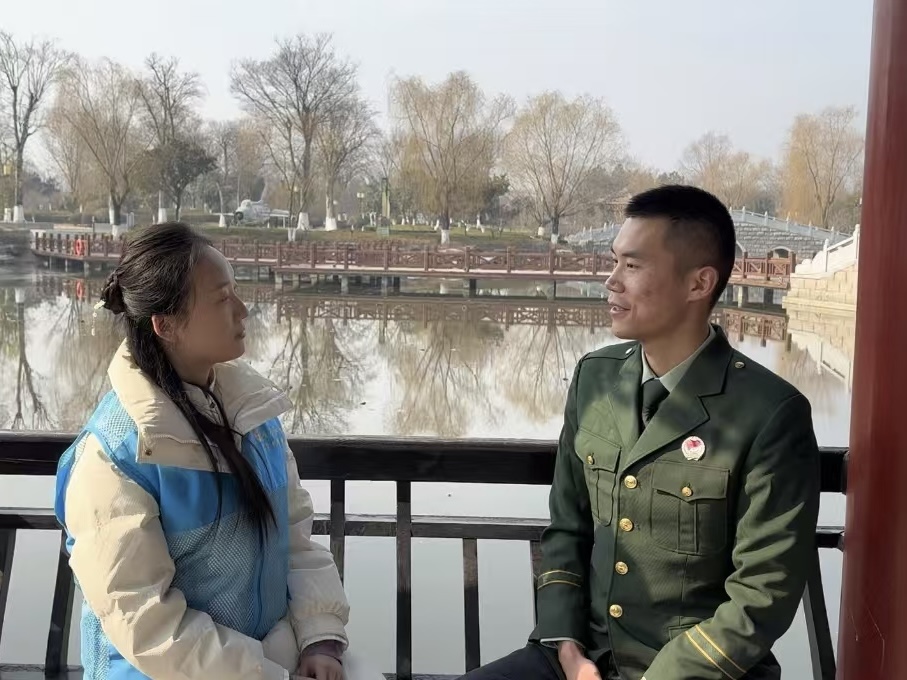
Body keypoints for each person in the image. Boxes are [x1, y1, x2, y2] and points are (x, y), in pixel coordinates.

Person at [459, 185, 821, 680]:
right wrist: (566, 644)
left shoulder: (770, 413)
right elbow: (568, 528)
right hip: (579, 658)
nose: (611, 281)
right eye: (615, 262)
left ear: (699, 283)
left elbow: (763, 593)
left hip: (696, 672)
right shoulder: (595, 378)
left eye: (632, 266)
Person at [53, 222, 383, 680]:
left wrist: (319, 641)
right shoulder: (117, 456)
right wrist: (268, 674)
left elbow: (294, 541)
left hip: (272, 663)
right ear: (166, 325)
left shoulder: (253, 416)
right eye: (223, 298)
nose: (243, 310)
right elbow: (146, 625)